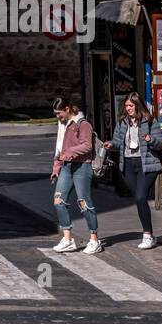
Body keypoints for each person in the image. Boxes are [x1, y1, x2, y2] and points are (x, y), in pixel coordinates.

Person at [108, 92, 162, 248]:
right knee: (139, 200)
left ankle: (147, 235)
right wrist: (111, 145)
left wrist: (150, 139)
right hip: (128, 164)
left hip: (147, 164)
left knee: (140, 197)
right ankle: (150, 235)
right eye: (126, 106)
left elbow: (160, 144)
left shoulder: (151, 122)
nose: (127, 109)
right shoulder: (122, 122)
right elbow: (118, 142)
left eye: (130, 106)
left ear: (137, 106)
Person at [50, 94, 102, 254]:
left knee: (84, 202)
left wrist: (70, 152)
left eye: (59, 113)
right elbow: (60, 148)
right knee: (58, 201)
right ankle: (68, 239)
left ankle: (94, 239)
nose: (58, 117)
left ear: (67, 109)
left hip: (82, 167)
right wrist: (56, 166)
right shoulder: (63, 125)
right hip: (66, 167)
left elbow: (87, 146)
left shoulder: (83, 124)